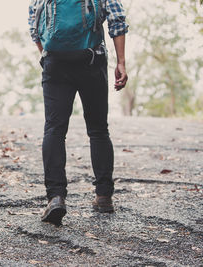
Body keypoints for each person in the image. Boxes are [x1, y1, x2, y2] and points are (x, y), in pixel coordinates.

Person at [28, 0, 129, 225]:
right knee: (98, 129)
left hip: (55, 62)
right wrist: (121, 61)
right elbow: (117, 20)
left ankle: (56, 197)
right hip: (91, 59)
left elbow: (34, 29)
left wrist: (49, 55)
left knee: (54, 129)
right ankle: (103, 196)